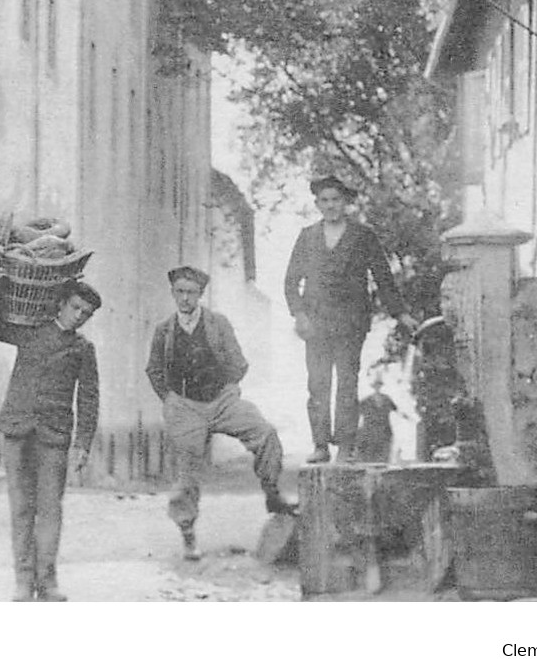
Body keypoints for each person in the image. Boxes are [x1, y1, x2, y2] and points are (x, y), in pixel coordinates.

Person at [145, 266, 294, 562]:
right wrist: (171, 400)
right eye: (179, 292)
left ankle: (272, 492)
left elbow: (239, 363)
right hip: (185, 406)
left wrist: (227, 391)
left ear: (200, 294)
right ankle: (188, 534)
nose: (185, 299)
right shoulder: (165, 330)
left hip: (222, 400)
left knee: (265, 433)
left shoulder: (217, 324)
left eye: (191, 292)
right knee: (187, 472)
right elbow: (154, 370)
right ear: (173, 293)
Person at [0, 270, 100, 602]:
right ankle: (23, 582)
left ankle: (49, 581)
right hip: (17, 429)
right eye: (75, 308)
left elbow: (88, 398)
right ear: (60, 305)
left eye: (85, 313)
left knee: (50, 510)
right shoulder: (29, 331)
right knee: (21, 509)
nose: (79, 316)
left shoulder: (84, 349)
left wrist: (83, 443)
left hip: (54, 435)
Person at [284, 176, 417, 464]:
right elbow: (291, 282)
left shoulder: (362, 236)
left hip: (350, 323)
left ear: (345, 203)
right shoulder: (307, 237)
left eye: (336, 200)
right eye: (325, 200)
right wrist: (299, 314)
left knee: (347, 383)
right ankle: (320, 445)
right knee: (318, 384)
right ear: (317, 204)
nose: (331, 205)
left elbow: (383, 277)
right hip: (316, 324)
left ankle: (345, 446)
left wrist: (401, 313)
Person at [356, 373, 398, 464]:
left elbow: (396, 410)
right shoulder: (366, 401)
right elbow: (358, 414)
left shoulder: (387, 399)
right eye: (375, 385)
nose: (377, 387)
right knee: (369, 456)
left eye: (379, 385)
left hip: (384, 431)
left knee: (383, 456)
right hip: (370, 432)